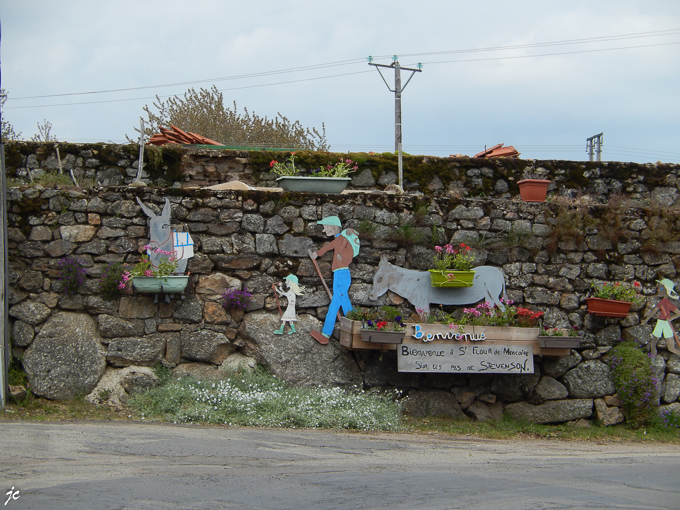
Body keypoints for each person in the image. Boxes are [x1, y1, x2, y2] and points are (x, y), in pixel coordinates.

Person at [308, 216, 360, 344]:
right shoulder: (340, 240)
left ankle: (326, 334)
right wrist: (317, 254)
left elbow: (327, 248)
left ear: (333, 226)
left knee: (334, 304)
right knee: (345, 303)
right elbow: (329, 247)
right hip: (340, 274)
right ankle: (358, 329)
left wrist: (316, 254)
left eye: (326, 227)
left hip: (342, 274)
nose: (324, 231)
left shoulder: (341, 240)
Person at [642, 278, 680, 356]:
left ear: (666, 290)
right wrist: (645, 320)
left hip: (666, 324)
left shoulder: (667, 303)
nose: (658, 290)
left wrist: (671, 319)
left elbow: (678, 313)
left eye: (661, 288)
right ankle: (652, 358)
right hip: (660, 323)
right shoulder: (662, 302)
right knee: (653, 342)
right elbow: (653, 312)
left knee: (671, 347)